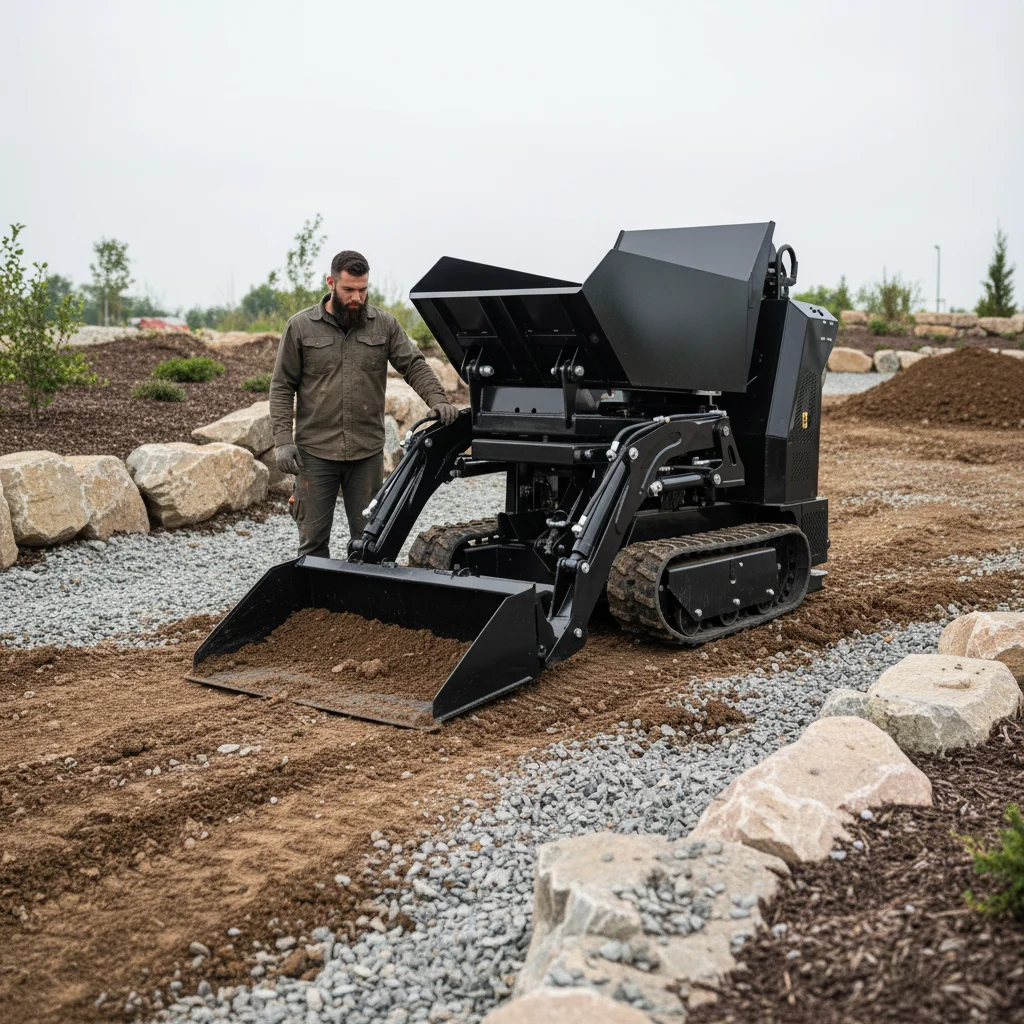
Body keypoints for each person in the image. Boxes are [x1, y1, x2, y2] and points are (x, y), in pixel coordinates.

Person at [269, 249, 456, 558]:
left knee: (372, 542)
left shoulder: (384, 325)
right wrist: (281, 441)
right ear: (331, 282)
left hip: (366, 455)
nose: (357, 297)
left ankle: (363, 606)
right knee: (312, 544)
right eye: (348, 290)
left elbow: (413, 365)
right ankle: (315, 606)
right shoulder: (300, 327)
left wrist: (438, 400)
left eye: (362, 289)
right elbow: (281, 386)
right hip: (314, 454)